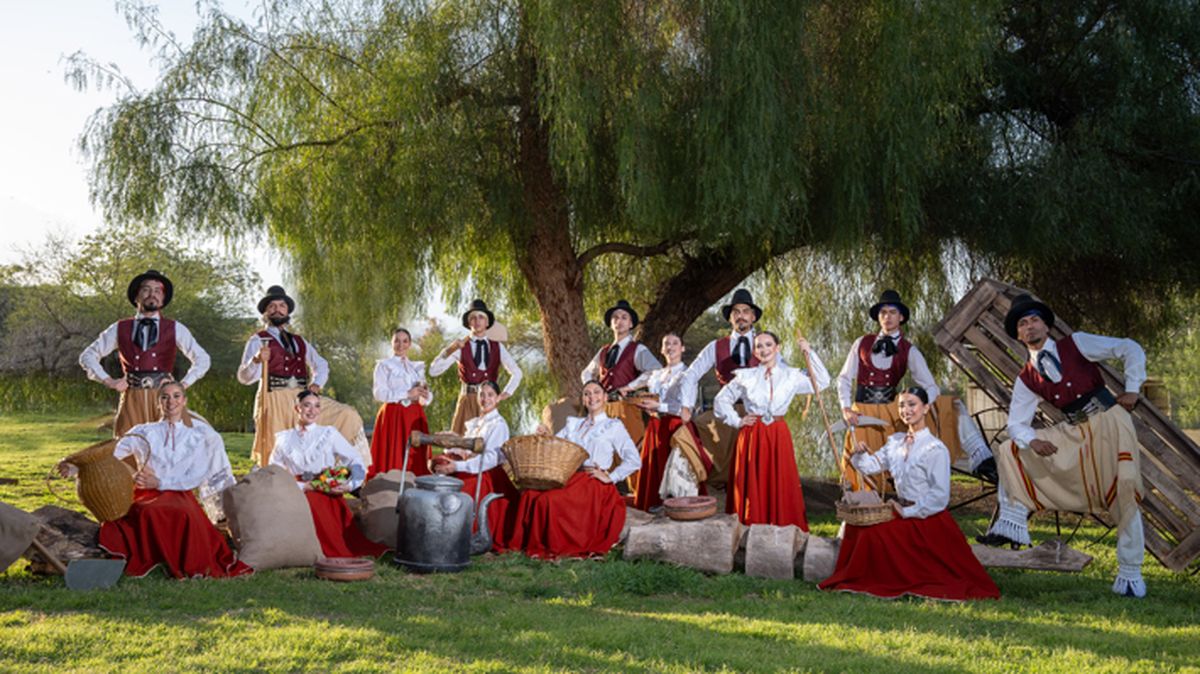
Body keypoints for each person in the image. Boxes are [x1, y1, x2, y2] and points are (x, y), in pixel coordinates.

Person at [981, 293, 1147, 597]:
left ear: (1046, 326)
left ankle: (1130, 575)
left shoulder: (1077, 344)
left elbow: (1130, 348)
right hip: (1075, 432)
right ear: (1018, 334)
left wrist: (1133, 389)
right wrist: (1033, 440)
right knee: (1010, 448)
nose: (1030, 327)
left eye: (1034, 320)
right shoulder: (1026, 377)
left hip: (1111, 422)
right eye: (1022, 323)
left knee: (1124, 491)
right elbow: (1016, 423)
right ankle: (1014, 517)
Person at [820, 387, 1000, 600]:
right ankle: (859, 575)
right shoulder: (895, 442)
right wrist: (858, 454)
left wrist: (907, 512)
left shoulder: (935, 449)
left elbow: (940, 498)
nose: (906, 410)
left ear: (926, 408)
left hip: (926, 518)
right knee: (857, 526)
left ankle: (879, 578)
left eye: (912, 404)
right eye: (902, 405)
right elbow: (870, 466)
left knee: (874, 534)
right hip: (900, 510)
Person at [58, 381, 250, 579]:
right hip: (144, 493)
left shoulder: (198, 434)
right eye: (165, 397)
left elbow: (196, 475)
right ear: (158, 403)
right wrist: (75, 466)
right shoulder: (144, 431)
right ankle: (146, 556)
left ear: (184, 401)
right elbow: (111, 452)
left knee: (180, 512)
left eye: (176, 396)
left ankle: (174, 557)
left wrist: (160, 483)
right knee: (138, 512)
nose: (171, 401)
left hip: (179, 493)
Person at [836, 290, 996, 489]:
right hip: (862, 410)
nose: (887, 316)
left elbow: (931, 387)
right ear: (878, 317)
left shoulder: (909, 350)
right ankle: (862, 508)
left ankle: (980, 455)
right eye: (883, 312)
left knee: (951, 406)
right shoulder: (861, 343)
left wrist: (917, 406)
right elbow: (843, 378)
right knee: (861, 464)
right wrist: (845, 408)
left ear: (901, 317)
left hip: (890, 410)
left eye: (892, 312)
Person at [497, 380, 641, 559]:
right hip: (569, 476)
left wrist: (611, 477)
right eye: (587, 393)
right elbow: (555, 445)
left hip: (592, 483)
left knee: (549, 501)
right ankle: (523, 545)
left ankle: (548, 546)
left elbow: (634, 460)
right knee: (530, 495)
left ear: (605, 398)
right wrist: (544, 434)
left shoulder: (613, 426)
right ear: (583, 399)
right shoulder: (574, 424)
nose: (592, 397)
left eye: (596, 392)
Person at [236, 285, 369, 467]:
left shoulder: (299, 341)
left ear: (287, 310)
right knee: (277, 450)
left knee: (347, 415)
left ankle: (337, 471)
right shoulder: (258, 340)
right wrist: (257, 360)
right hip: (273, 399)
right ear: (266, 312)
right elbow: (244, 378)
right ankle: (273, 489)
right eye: (272, 306)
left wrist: (316, 384)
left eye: (281, 305)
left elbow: (321, 364)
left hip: (301, 398)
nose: (277, 309)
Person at [713, 331, 830, 529]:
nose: (764, 349)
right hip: (752, 434)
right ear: (754, 351)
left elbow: (823, 382)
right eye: (759, 346)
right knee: (752, 483)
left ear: (777, 348)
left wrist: (810, 353)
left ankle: (782, 526)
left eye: (768, 345)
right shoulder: (746, 376)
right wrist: (737, 420)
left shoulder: (791, 376)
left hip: (777, 433)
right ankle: (748, 526)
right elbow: (721, 400)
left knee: (780, 480)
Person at [79, 269, 211, 437]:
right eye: (146, 289)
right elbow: (87, 356)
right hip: (131, 399)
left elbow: (203, 359)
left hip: (165, 398)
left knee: (170, 446)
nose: (152, 294)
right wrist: (109, 381)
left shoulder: (175, 327)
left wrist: (183, 385)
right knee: (128, 447)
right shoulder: (120, 328)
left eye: (157, 291)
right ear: (137, 296)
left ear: (163, 299)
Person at [270, 391, 387, 559]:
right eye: (307, 405)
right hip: (295, 490)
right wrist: (302, 486)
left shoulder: (328, 434)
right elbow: (275, 471)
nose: (312, 410)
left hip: (325, 490)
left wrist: (351, 484)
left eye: (317, 406)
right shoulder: (284, 439)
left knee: (317, 502)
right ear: (297, 408)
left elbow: (355, 459)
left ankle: (321, 547)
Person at [678, 288, 763, 490]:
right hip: (727, 412)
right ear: (730, 318)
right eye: (736, 311)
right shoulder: (716, 346)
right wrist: (687, 406)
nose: (740, 316)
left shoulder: (765, 344)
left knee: (755, 466)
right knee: (688, 432)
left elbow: (782, 374)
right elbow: (690, 375)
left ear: (752, 317)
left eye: (745, 311)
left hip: (756, 412)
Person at [624, 333, 713, 511]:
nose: (670, 347)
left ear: (682, 348)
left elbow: (684, 412)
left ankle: (678, 505)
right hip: (656, 426)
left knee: (677, 471)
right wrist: (648, 407)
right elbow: (643, 394)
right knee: (655, 467)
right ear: (662, 349)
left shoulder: (687, 375)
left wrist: (659, 406)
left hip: (677, 427)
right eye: (666, 344)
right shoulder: (655, 375)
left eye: (675, 343)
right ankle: (656, 502)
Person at [432, 381, 519, 540]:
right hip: (472, 467)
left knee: (464, 489)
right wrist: (449, 445)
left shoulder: (498, 425)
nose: (485, 399)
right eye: (482, 395)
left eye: (490, 395)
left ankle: (461, 534)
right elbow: (467, 450)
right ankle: (439, 529)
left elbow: (491, 459)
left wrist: (458, 465)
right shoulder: (478, 422)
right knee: (441, 481)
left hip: (488, 474)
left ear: (498, 398)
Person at [429, 299, 523, 435]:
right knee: (461, 444)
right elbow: (433, 371)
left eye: (481, 317)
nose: (477, 321)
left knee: (487, 443)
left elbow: (517, 373)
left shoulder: (497, 347)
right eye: (472, 318)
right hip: (467, 400)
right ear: (469, 323)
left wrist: (504, 394)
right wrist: (450, 349)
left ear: (487, 322)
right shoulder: (460, 346)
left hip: (488, 403)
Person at [581, 299, 662, 446]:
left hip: (627, 409)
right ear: (611, 323)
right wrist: (593, 389)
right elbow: (586, 373)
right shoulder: (603, 351)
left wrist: (630, 386)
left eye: (624, 318)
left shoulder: (637, 349)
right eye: (615, 318)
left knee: (630, 452)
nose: (619, 321)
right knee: (603, 456)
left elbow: (656, 371)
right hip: (603, 411)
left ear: (631, 324)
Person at [368, 328, 432, 478]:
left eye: (405, 341)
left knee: (414, 455)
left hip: (415, 416)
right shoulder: (384, 366)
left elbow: (425, 398)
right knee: (393, 452)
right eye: (397, 340)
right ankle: (390, 488)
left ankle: (414, 489)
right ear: (391, 343)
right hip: (393, 416)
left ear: (409, 344)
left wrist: (425, 394)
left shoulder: (416, 368)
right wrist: (407, 394)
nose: (400, 345)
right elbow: (378, 393)